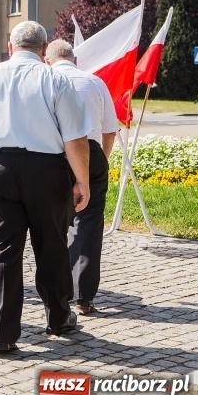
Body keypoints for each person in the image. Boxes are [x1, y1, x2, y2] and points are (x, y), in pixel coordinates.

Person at [0, 21, 92, 353]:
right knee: (52, 245)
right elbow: (75, 138)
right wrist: (82, 180)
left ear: (10, 48)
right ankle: (58, 316)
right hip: (47, 170)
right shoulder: (55, 79)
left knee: (2, 248)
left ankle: (2, 331)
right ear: (44, 51)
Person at [45, 40, 118, 316]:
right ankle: (83, 297)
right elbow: (110, 130)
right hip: (91, 152)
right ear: (74, 60)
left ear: (47, 60)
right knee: (88, 225)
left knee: (52, 222)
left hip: (52, 155)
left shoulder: (45, 79)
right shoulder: (95, 82)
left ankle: (56, 293)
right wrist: (98, 161)